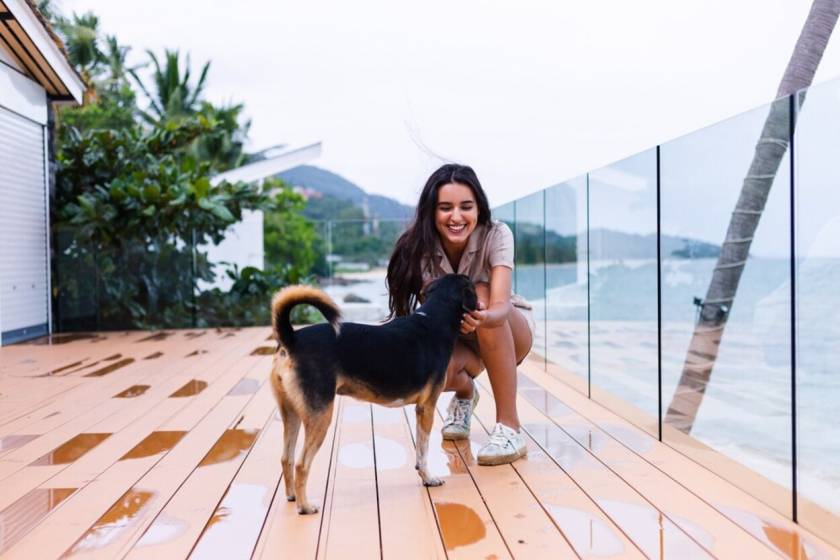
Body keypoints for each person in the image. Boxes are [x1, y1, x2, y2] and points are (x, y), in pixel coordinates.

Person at [386, 163, 534, 465]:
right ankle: (466, 394)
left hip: (505, 326)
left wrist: (486, 317)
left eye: (466, 206)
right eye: (445, 208)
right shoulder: (418, 247)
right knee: (433, 369)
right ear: (432, 211)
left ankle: (509, 427)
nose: (456, 217)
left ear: (479, 207)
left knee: (479, 292)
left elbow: (501, 305)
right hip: (460, 335)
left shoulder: (497, 234)